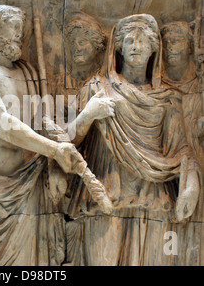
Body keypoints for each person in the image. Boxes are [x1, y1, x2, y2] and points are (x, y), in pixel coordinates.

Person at [0, 5, 88, 266]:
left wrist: (56, 167)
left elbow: (43, 123)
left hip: (25, 187)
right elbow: (3, 124)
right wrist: (54, 150)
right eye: (13, 27)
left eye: (22, 29)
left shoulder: (28, 73)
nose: (20, 34)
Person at [67, 14, 200, 265]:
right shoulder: (96, 88)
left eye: (142, 42)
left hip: (153, 198)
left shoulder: (167, 99)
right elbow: (68, 143)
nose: (135, 47)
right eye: (129, 41)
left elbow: (183, 151)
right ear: (118, 48)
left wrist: (191, 185)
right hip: (104, 194)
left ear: (153, 49)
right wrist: (88, 114)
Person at [161, 21, 204, 265]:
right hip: (166, 170)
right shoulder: (156, 89)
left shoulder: (199, 87)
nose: (169, 49)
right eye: (164, 44)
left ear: (190, 47)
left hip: (196, 165)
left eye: (175, 41)